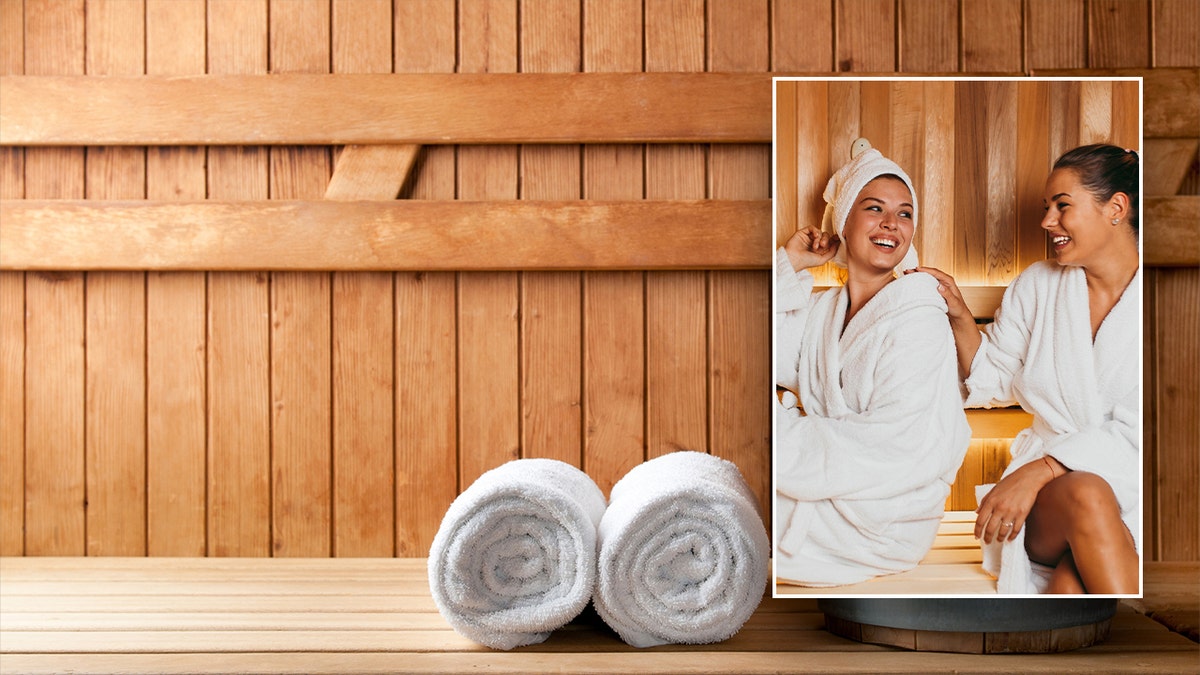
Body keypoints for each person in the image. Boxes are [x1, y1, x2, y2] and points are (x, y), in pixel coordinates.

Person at [915, 143, 1140, 594]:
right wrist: (960, 313)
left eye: (1062, 206)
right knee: (1086, 493)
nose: (1046, 222)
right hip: (1050, 509)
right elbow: (994, 377)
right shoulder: (1037, 287)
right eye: (1046, 208)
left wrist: (1040, 469)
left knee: (1070, 591)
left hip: (1133, 493)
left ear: (1116, 208)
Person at [774, 140, 971, 587]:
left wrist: (779, 442)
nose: (891, 224)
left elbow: (898, 443)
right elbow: (757, 350)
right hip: (834, 490)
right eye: (874, 208)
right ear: (844, 221)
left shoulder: (919, 314)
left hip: (885, 516)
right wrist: (791, 262)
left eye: (905, 213)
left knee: (738, 499)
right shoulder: (825, 311)